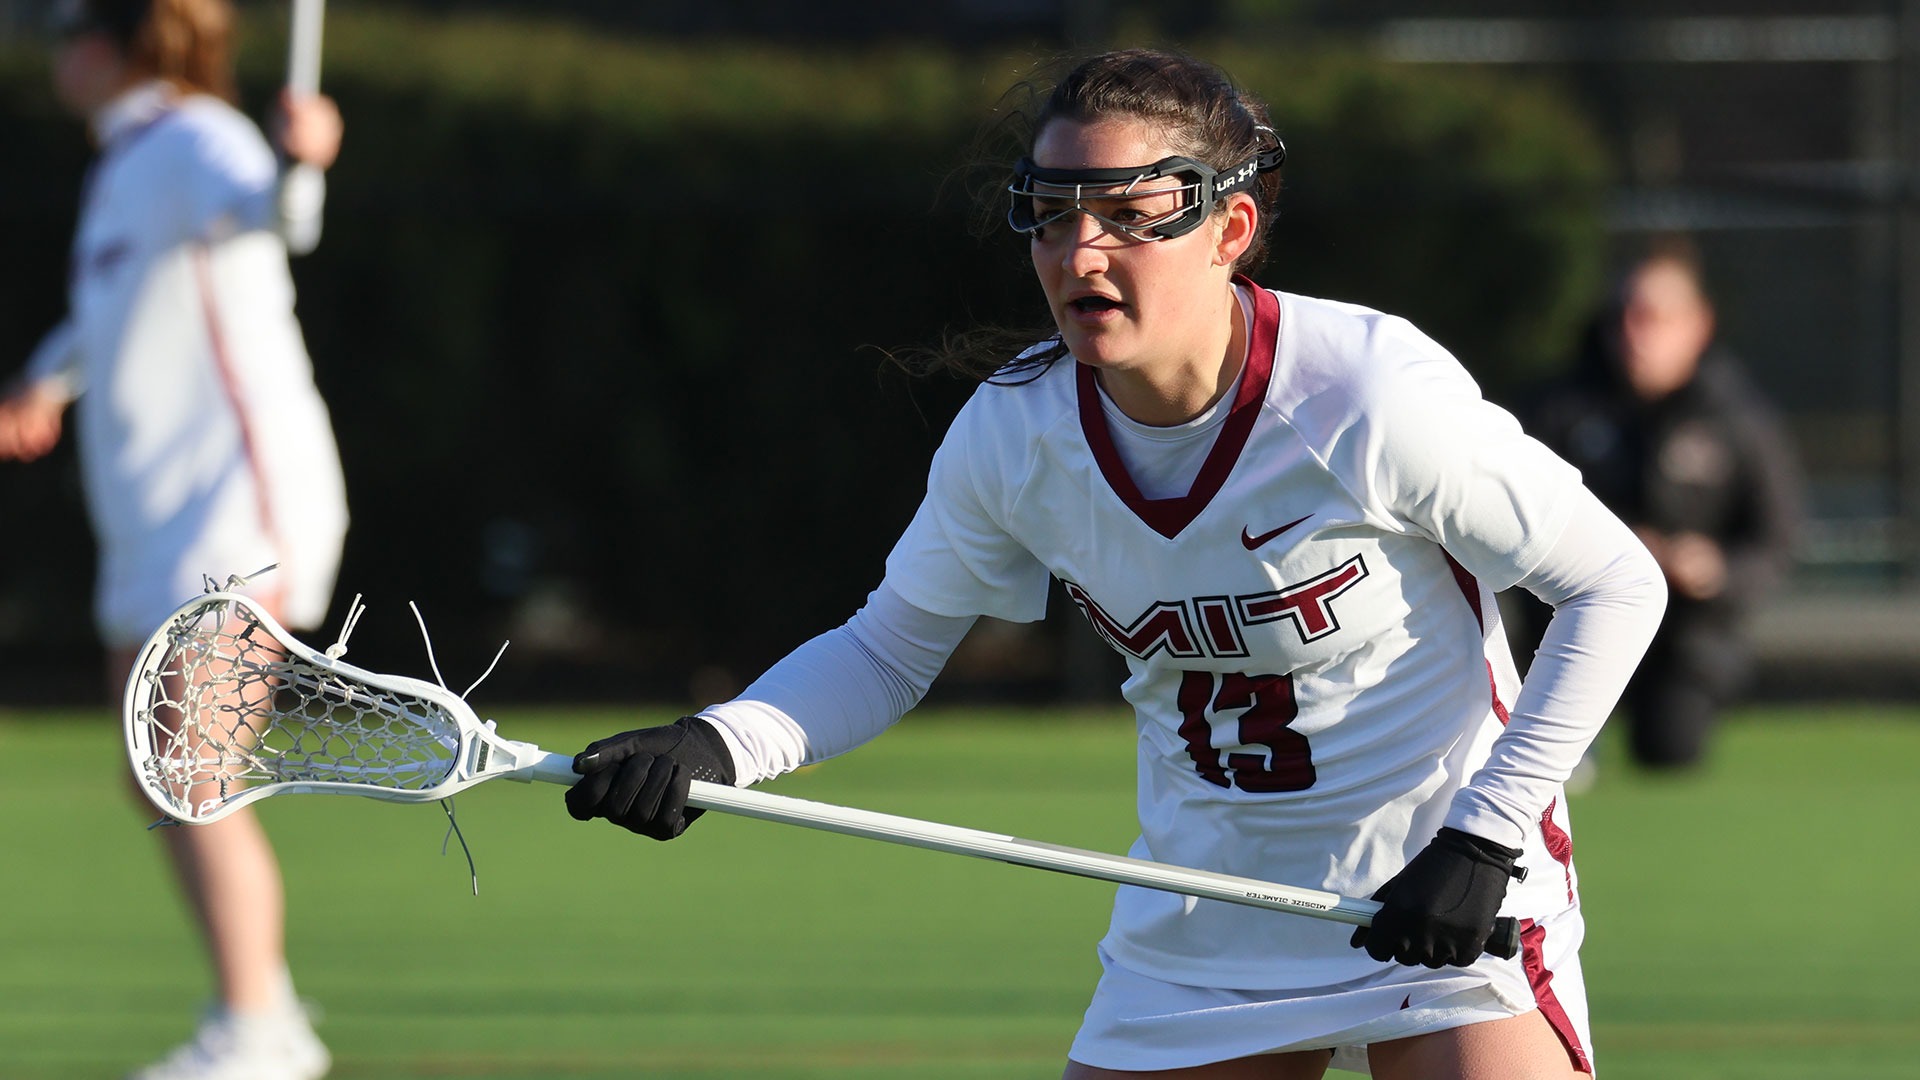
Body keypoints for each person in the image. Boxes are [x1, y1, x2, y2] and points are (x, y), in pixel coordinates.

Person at [565, 49, 1666, 1079]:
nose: (1079, 253)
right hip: (1201, 915)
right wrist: (720, 741)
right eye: (1050, 217)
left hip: (1443, 896)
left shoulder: (1365, 394)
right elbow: (891, 647)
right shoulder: (1017, 436)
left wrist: (1484, 834)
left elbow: (1617, 585)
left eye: (1130, 217)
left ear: (1230, 228)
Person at [0, 1, 349, 1076]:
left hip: (235, 509)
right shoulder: (127, 160)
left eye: (65, 34)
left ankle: (256, 1032)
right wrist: (45, 382)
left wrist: (308, 160)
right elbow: (117, 309)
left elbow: (280, 216)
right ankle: (265, 1019)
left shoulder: (200, 137)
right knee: (153, 771)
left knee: (190, 770)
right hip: (150, 521)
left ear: (103, 49)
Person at [1526, 240, 1800, 771]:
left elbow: (1776, 538)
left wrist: (1717, 570)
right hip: (1565, 622)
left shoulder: (1740, 420)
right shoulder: (1557, 411)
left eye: (1656, 318)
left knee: (1671, 747)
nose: (1636, 333)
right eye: (1625, 316)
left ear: (1698, 324)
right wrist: (1613, 550)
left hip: (1685, 635)